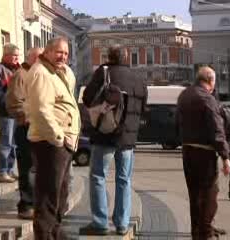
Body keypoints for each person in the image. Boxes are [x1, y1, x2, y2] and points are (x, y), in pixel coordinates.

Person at [80, 45, 147, 236]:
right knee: (124, 179)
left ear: (108, 56)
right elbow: (143, 107)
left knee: (97, 177)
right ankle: (122, 223)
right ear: (127, 58)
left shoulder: (104, 72)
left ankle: (100, 222)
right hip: (127, 139)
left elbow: (86, 97)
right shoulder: (138, 77)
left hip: (104, 135)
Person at [25, 37, 81, 240]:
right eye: (59, 52)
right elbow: (41, 110)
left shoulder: (58, 72)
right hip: (50, 143)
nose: (63, 56)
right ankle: (45, 235)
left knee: (60, 192)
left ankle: (55, 231)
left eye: (66, 53)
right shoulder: (41, 73)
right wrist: (58, 137)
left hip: (62, 143)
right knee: (48, 194)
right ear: (47, 52)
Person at [176, 66, 230, 240]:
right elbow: (217, 128)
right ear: (210, 80)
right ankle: (205, 233)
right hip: (204, 153)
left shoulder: (184, 95)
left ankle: (196, 233)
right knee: (209, 195)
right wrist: (225, 156)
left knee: (194, 195)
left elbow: (177, 122)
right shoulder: (207, 98)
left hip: (187, 150)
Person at [6, 47, 43, 219]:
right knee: (27, 168)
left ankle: (35, 203)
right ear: (34, 58)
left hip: (37, 128)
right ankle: (26, 205)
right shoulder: (21, 75)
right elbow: (14, 102)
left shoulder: (36, 74)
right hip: (26, 127)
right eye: (41, 58)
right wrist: (28, 116)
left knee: (35, 167)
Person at [0, 43, 20, 183]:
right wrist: (5, 105)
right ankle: (1, 172)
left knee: (13, 144)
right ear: (6, 55)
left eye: (18, 56)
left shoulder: (17, 70)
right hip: (6, 113)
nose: (16, 58)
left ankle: (9, 170)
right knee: (5, 142)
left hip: (17, 112)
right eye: (14, 55)